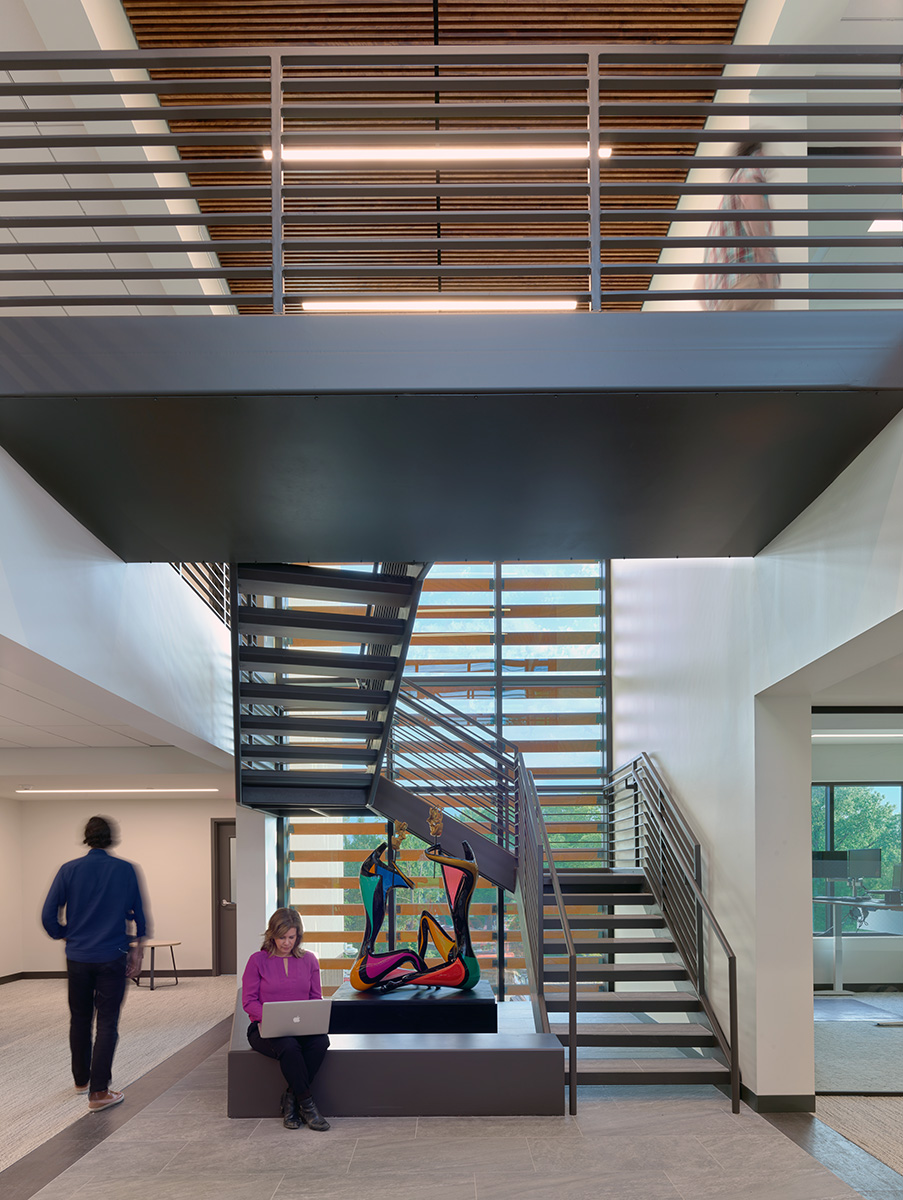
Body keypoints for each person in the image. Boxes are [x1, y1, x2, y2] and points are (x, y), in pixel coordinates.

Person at [41, 815, 148, 1112]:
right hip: (112, 956)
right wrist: (137, 950)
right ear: (112, 838)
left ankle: (81, 1081)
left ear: (87, 838)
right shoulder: (126, 870)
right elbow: (139, 913)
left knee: (79, 1018)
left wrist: (65, 934)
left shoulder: (68, 870)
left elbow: (49, 916)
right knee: (107, 1021)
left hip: (77, 957)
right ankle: (99, 1092)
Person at [242, 907, 330, 1131]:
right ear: (272, 934)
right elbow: (249, 1001)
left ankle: (291, 1098)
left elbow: (314, 998)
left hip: (301, 1029)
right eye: (282, 937)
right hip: (264, 1030)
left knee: (322, 1042)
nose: (287, 943)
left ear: (298, 936)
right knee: (289, 1047)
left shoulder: (310, 960)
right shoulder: (257, 961)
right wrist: (270, 1017)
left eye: (292, 937)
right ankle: (308, 1107)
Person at [698, 143, 779, 311]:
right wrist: (768, 282)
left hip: (722, 302)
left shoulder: (720, 217)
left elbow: (699, 285)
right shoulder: (749, 172)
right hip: (748, 285)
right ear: (757, 153)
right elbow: (760, 240)